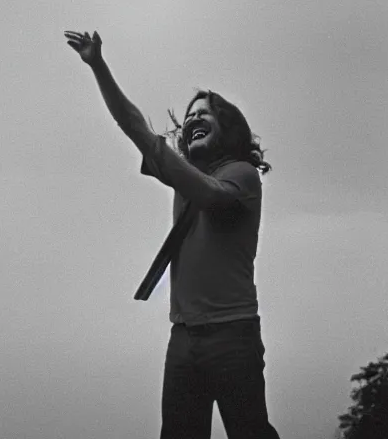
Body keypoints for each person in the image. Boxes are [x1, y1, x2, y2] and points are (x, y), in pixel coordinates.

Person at [64, 29, 281, 439]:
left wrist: (157, 148)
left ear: (229, 128)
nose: (195, 117)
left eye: (207, 112)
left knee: (250, 431)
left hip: (233, 333)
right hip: (183, 337)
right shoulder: (185, 178)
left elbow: (213, 197)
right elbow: (131, 123)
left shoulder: (242, 174)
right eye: (191, 114)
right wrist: (98, 66)